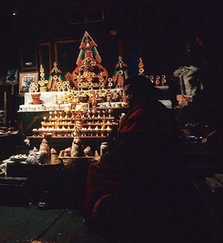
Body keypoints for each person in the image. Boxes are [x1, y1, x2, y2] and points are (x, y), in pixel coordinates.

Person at [82, 75, 194, 241]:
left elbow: (131, 149)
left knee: (95, 169)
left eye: (126, 94)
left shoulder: (143, 114)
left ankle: (97, 215)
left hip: (144, 168)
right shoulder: (155, 108)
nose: (124, 98)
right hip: (153, 162)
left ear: (134, 94)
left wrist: (106, 157)